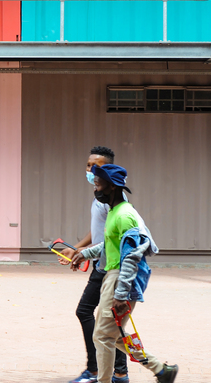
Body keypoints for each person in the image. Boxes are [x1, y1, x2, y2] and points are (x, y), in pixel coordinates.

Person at [72, 165, 178, 383]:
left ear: (112, 186)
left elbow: (130, 257)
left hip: (120, 278)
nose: (95, 189)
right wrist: (86, 254)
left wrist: (121, 294)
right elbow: (110, 244)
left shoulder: (125, 216)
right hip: (111, 276)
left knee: (102, 335)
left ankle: (104, 380)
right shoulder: (114, 211)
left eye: (99, 185)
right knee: (110, 333)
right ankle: (161, 370)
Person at [59, 146, 129, 383]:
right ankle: (119, 372)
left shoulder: (112, 200)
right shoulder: (101, 193)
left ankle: (97, 370)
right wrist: (77, 248)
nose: (90, 170)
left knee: (91, 314)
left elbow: (111, 237)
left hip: (110, 266)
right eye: (88, 165)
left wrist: (83, 253)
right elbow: (98, 230)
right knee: (106, 320)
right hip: (102, 263)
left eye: (96, 166)